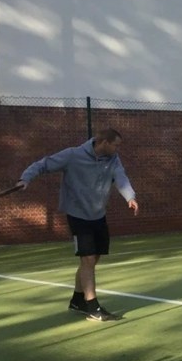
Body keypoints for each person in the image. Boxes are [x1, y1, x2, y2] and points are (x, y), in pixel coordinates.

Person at [17, 128, 139, 321]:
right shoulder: (73, 155)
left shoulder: (113, 159)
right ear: (104, 142)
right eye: (115, 145)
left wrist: (130, 197)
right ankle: (93, 307)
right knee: (88, 260)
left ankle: (77, 300)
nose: (118, 149)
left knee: (92, 259)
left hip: (98, 214)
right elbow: (44, 164)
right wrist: (25, 178)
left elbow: (121, 177)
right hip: (77, 214)